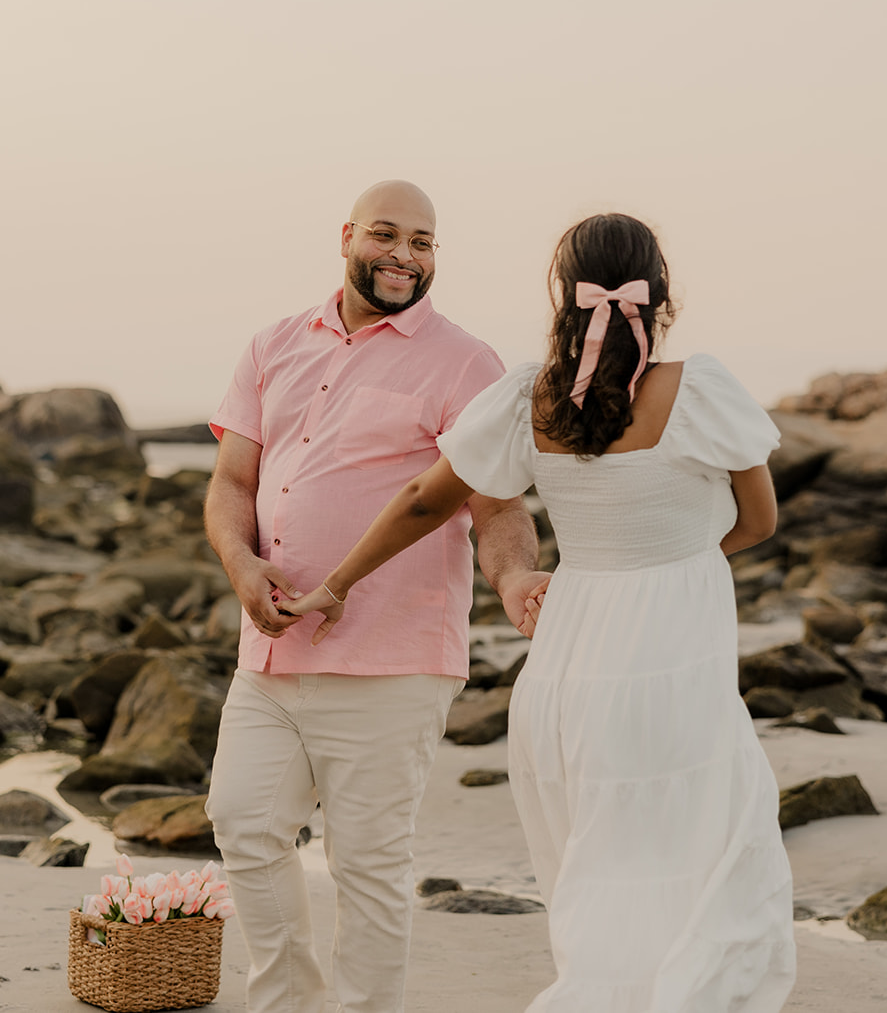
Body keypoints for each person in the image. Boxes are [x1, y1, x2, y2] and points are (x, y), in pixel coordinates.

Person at [282, 212, 796, 1011]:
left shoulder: (530, 394)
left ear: (565, 294)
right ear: (660, 293)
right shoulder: (699, 388)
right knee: (711, 851)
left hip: (571, 664)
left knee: (600, 858)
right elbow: (758, 521)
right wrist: (670, 564)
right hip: (671, 664)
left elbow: (424, 498)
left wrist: (337, 582)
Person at [202, 179, 546, 1013]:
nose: (404, 254)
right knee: (244, 824)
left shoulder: (467, 362)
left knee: (368, 864)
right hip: (272, 649)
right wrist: (243, 568)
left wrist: (514, 577)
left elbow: (496, 504)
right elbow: (230, 481)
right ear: (348, 235)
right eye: (387, 235)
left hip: (393, 658)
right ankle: (287, 1003)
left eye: (423, 242)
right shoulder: (273, 344)